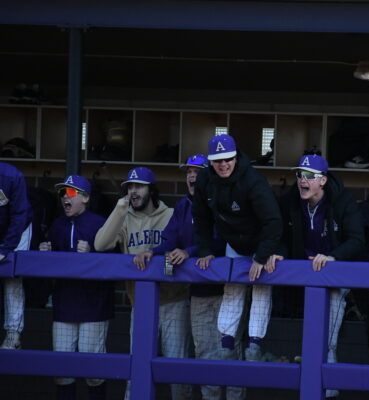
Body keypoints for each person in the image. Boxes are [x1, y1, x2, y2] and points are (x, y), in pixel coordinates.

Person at [135, 154, 245, 400]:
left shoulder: (220, 201)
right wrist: (153, 251)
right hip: (198, 292)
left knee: (230, 353)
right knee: (204, 353)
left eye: (198, 171)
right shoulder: (184, 205)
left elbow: (220, 240)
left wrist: (189, 252)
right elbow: (171, 236)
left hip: (228, 293)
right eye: (189, 172)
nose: (192, 176)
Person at [271, 154, 365, 399]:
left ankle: (328, 391)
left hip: (334, 277)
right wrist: (279, 253)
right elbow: (279, 235)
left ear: (322, 180)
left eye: (309, 176)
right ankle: (314, 387)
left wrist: (333, 256)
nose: (302, 180)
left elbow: (357, 240)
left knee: (327, 339)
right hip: (305, 279)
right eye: (300, 175)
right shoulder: (291, 201)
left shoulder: (342, 201)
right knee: (311, 338)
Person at [94, 167, 191, 400]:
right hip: (141, 305)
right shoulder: (124, 218)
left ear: (151, 189)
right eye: (129, 187)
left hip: (174, 302)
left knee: (177, 371)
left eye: (138, 186)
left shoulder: (170, 215)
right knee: (136, 367)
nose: (133, 191)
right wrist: (119, 208)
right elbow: (100, 244)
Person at [192, 134, 282, 362]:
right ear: (211, 161)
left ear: (235, 157)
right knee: (233, 287)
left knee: (261, 286)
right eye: (218, 160)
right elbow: (201, 217)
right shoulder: (204, 179)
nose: (223, 164)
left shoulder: (252, 180)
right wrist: (205, 248)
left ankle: (254, 343)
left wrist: (262, 256)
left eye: (228, 159)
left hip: (261, 240)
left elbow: (273, 221)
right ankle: (227, 341)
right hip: (234, 240)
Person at [39, 175, 114, 400]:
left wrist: (93, 254)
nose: (65, 198)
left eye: (71, 193)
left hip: (94, 307)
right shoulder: (57, 224)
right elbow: (48, 268)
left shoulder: (100, 223)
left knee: (94, 371)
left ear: (86, 198)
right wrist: (45, 252)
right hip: (64, 306)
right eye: (63, 193)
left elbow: (116, 262)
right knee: (62, 370)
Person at [0, 161, 32, 350]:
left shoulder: (11, 175)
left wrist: (5, 249)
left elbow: (19, 215)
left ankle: (13, 333)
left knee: (13, 276)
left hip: (19, 228)